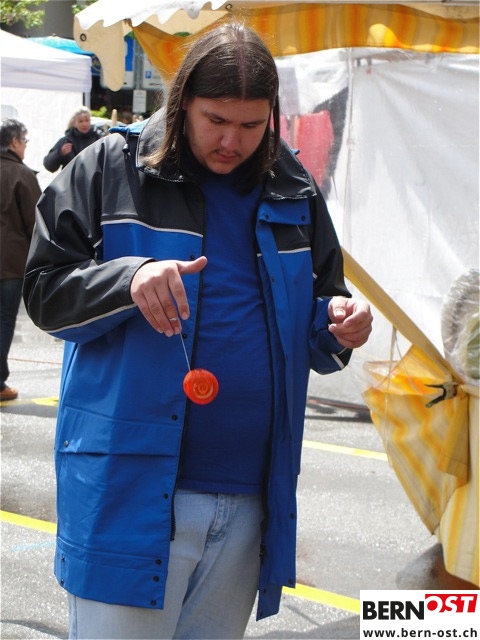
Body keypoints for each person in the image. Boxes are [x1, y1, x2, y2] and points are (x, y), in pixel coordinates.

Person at [24, 22, 373, 640]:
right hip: (128, 494)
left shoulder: (293, 185)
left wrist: (339, 323)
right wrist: (129, 279)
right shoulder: (112, 164)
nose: (232, 141)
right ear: (183, 100)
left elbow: (321, 305)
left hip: (251, 496)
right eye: (216, 120)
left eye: (251, 125)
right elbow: (44, 292)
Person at [0, 118, 41, 402]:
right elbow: (37, 224)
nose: (25, 146)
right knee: (4, 320)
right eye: (24, 141)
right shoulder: (21, 174)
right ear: (14, 142)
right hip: (10, 262)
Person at [43, 106, 104, 173]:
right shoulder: (66, 141)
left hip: (95, 179)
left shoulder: (99, 139)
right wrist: (60, 153)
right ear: (74, 123)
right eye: (80, 121)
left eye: (87, 120)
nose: (84, 124)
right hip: (71, 179)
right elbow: (49, 165)